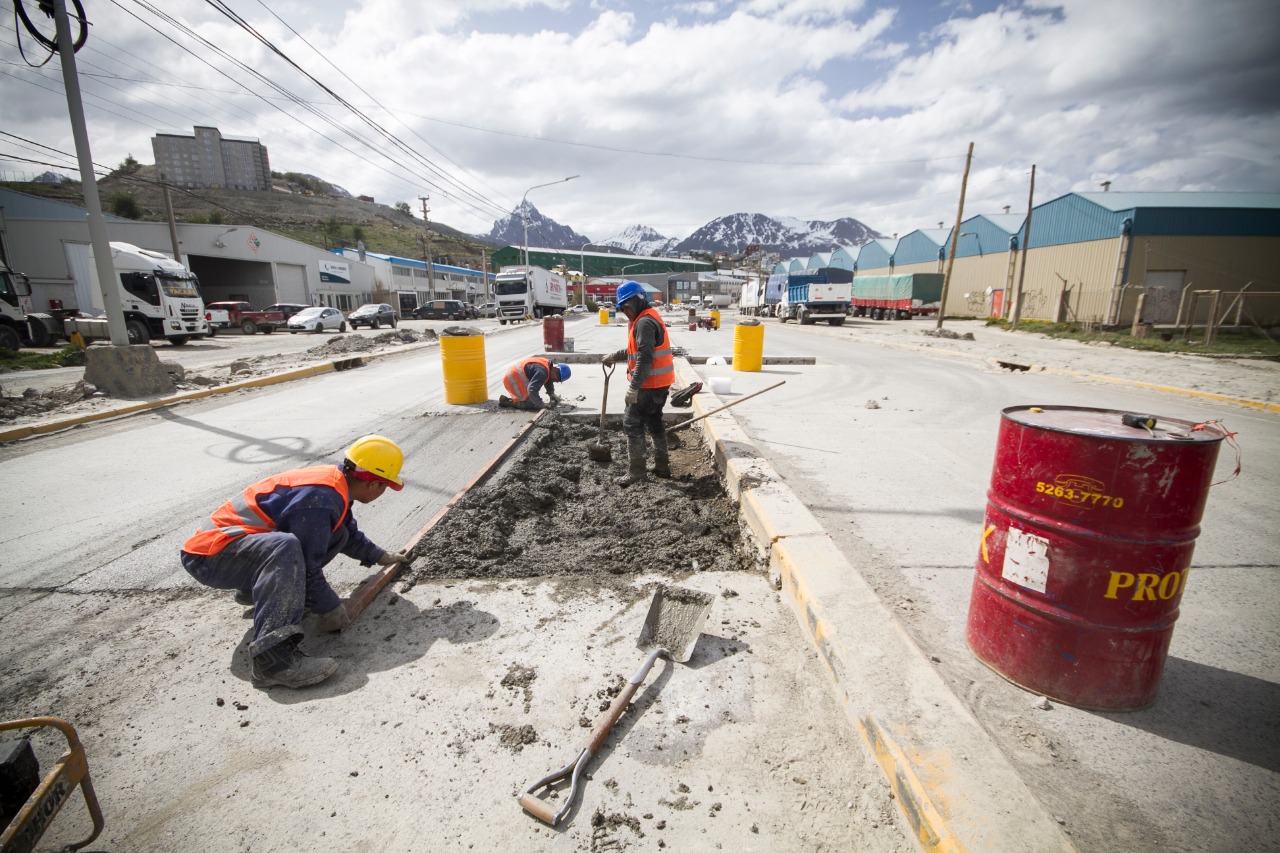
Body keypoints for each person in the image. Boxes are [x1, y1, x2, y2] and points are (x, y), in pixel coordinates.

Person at [180, 435, 410, 689]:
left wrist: (379, 556)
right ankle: (273, 659)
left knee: (336, 534)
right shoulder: (320, 499)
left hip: (234, 551)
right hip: (210, 556)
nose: (383, 492)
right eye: (385, 486)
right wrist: (329, 607)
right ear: (374, 484)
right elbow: (308, 563)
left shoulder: (335, 485)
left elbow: (346, 534)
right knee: (286, 546)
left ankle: (258, 591)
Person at [602, 281, 675, 486]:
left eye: (626, 306)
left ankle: (637, 472)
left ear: (637, 300)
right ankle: (662, 466)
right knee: (654, 421)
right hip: (659, 384)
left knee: (632, 423)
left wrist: (633, 388)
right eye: (622, 307)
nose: (624, 311)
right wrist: (616, 355)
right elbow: (638, 351)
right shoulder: (648, 318)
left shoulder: (644, 323)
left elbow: (644, 357)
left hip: (648, 385)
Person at [499, 357, 571, 410]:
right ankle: (507, 402)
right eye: (556, 379)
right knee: (532, 404)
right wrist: (541, 404)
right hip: (512, 380)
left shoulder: (548, 367)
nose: (554, 381)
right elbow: (532, 390)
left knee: (534, 399)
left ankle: (517, 400)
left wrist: (551, 393)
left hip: (515, 376)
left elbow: (549, 380)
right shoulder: (542, 372)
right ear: (555, 370)